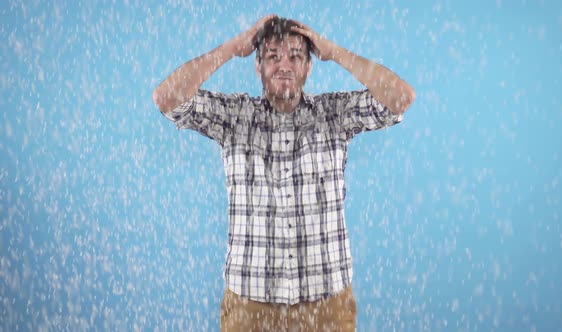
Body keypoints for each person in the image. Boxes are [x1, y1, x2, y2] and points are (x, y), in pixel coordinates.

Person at [152, 14, 415, 332]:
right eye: (272, 57)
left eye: (295, 56)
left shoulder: (334, 114)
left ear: (308, 67)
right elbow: (167, 98)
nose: (284, 65)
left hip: (327, 305)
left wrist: (336, 52)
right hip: (249, 306)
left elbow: (400, 98)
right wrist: (229, 49)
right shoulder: (235, 116)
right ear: (258, 66)